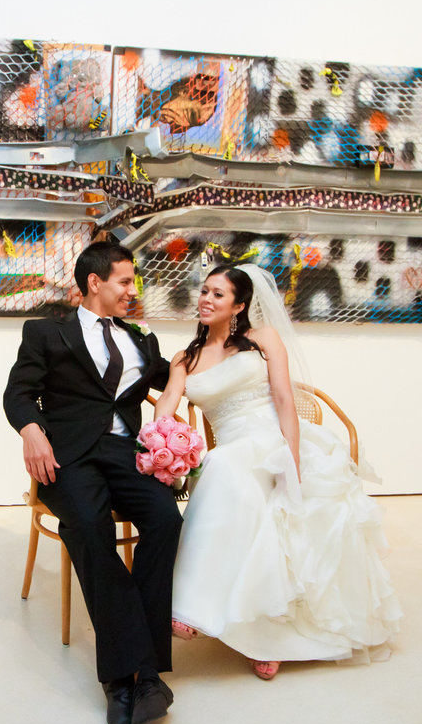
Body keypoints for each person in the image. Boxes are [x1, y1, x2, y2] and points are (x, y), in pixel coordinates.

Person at [152, 263, 402, 680]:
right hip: (233, 450)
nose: (206, 299)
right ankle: (244, 628)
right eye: (204, 291)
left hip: (274, 441)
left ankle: (212, 616)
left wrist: (293, 459)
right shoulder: (185, 357)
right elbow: (168, 403)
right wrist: (161, 441)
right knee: (228, 475)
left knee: (222, 468)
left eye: (218, 294)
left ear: (240, 305)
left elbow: (285, 400)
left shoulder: (262, 339)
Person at [3, 241, 182, 724]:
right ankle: (132, 679)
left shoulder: (140, 341)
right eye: (125, 281)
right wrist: (32, 430)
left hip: (128, 454)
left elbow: (183, 372)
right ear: (94, 283)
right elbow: (18, 391)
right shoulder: (45, 332)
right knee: (87, 525)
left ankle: (136, 672)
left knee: (166, 521)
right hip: (69, 456)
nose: (133, 290)